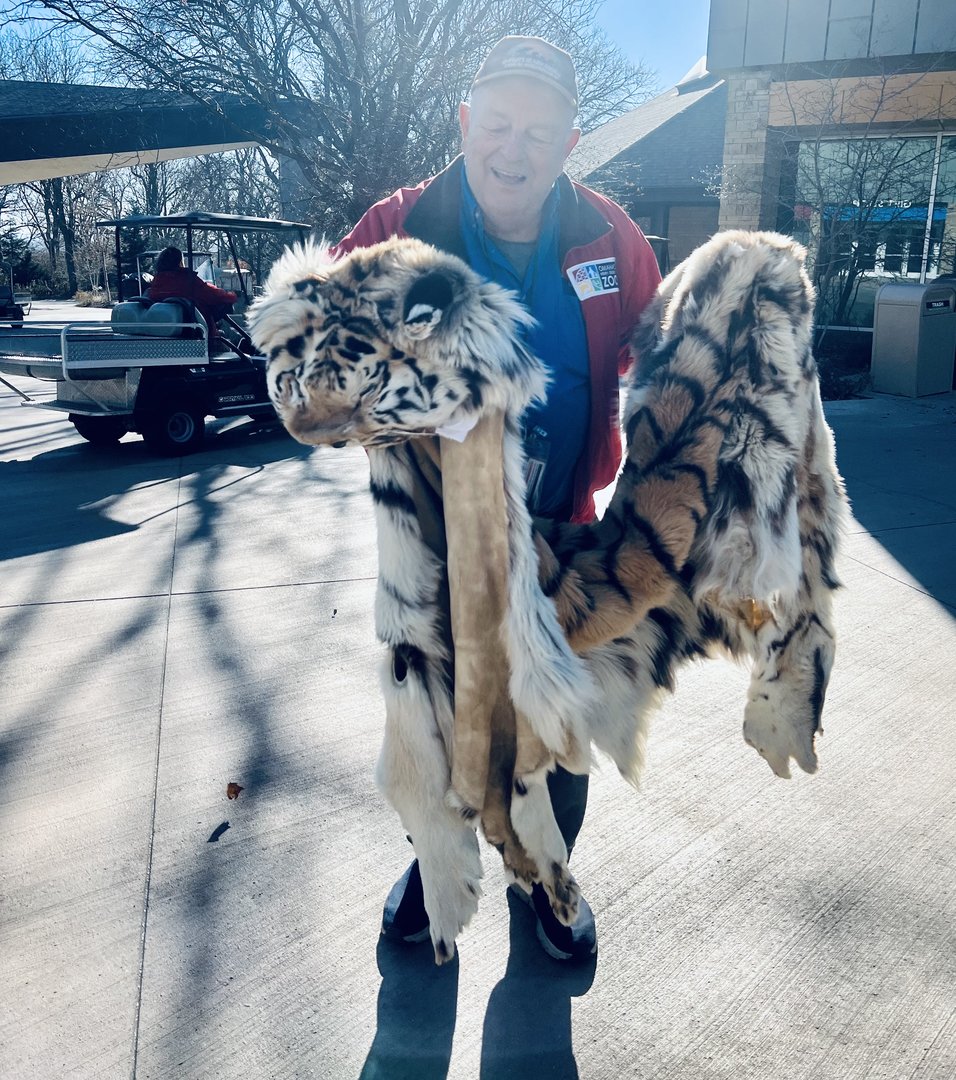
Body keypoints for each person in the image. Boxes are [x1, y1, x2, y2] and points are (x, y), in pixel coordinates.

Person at [332, 35, 662, 961]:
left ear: (570, 142)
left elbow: (663, 359)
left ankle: (545, 882)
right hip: (432, 540)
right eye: (500, 125)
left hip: (566, 533)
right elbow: (318, 376)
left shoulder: (610, 238)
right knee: (432, 718)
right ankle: (436, 864)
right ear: (467, 123)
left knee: (558, 728)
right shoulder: (396, 227)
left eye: (540, 132)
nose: (514, 151)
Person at [147, 246, 238, 350]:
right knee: (224, 343)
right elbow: (211, 294)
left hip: (168, 332)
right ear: (179, 261)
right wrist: (231, 296)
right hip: (195, 332)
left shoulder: (157, 282)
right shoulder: (186, 279)